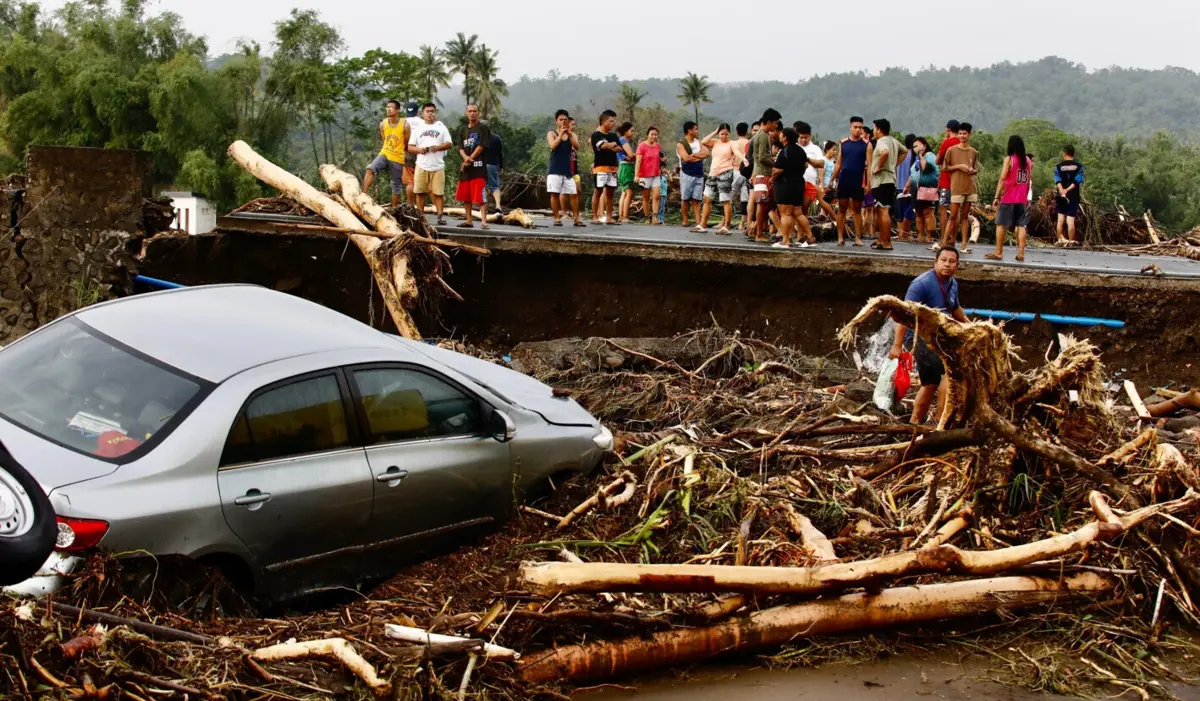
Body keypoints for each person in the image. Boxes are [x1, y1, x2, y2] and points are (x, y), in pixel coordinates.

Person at [889, 246, 970, 425]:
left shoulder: (952, 283)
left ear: (957, 265)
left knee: (931, 383)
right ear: (935, 262)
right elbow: (904, 314)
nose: (947, 265)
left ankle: (915, 422)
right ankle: (939, 423)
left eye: (952, 261)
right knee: (948, 375)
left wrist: (971, 327)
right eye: (943, 260)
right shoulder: (922, 284)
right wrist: (897, 344)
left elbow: (955, 308)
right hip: (920, 337)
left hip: (938, 336)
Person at [987, 135, 1033, 262]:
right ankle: (1021, 253)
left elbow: (1002, 178)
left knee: (1000, 224)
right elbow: (1029, 179)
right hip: (1021, 199)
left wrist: (997, 196)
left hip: (1009, 197)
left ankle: (999, 251)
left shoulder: (1009, 159)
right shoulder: (1028, 161)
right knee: (1021, 225)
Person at [408, 102, 454, 224]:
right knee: (420, 192)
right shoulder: (418, 129)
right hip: (421, 164)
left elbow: (449, 144)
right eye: (427, 111)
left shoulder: (441, 127)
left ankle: (440, 216)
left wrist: (438, 147)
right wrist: (419, 150)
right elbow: (410, 147)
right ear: (422, 113)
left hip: (438, 166)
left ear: (435, 113)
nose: (430, 114)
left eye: (432, 111)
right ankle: (420, 217)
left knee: (438, 193)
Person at [866, 118, 906, 250]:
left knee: (883, 210)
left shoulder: (882, 142)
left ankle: (887, 241)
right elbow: (904, 151)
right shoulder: (893, 141)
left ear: (878, 129)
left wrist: (878, 167)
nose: (873, 131)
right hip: (890, 180)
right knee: (880, 209)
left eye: (874, 128)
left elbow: (885, 152)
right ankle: (882, 238)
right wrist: (894, 164)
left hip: (882, 181)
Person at [362, 99, 409, 208]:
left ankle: (394, 209)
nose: (388, 109)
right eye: (387, 107)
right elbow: (385, 140)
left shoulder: (405, 125)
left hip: (398, 157)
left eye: (391, 107)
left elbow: (406, 143)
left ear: (397, 110)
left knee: (396, 185)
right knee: (370, 169)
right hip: (385, 152)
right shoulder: (383, 124)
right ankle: (363, 196)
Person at [831, 116, 869, 246]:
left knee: (857, 209)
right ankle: (840, 237)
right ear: (850, 127)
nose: (858, 130)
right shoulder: (843, 143)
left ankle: (858, 237)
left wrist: (868, 183)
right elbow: (838, 163)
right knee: (842, 207)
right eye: (855, 127)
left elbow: (869, 166)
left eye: (860, 127)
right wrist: (831, 179)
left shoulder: (866, 144)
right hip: (844, 178)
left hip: (858, 179)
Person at [941, 122, 979, 251]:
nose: (962, 136)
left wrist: (972, 170)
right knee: (952, 216)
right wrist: (958, 167)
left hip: (970, 187)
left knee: (965, 216)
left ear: (969, 134)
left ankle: (963, 243)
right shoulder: (951, 150)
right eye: (960, 133)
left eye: (965, 133)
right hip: (956, 187)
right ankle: (944, 242)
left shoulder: (973, 151)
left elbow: (976, 168)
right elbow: (945, 167)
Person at [700, 124, 742, 234]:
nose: (724, 136)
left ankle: (726, 226)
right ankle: (702, 224)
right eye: (722, 134)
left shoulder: (732, 143)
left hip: (725, 172)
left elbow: (737, 152)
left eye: (726, 134)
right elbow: (704, 141)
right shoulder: (715, 142)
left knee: (725, 200)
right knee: (707, 198)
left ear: (729, 134)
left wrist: (743, 159)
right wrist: (714, 131)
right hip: (713, 173)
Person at [770, 127, 808, 248]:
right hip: (798, 183)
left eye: (781, 134)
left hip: (786, 184)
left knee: (785, 213)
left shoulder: (785, 151)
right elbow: (805, 164)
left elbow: (779, 169)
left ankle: (785, 240)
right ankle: (810, 236)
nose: (779, 135)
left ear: (785, 137)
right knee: (798, 212)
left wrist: (772, 178)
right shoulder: (800, 150)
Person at [456, 104, 491, 228]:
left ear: (478, 113)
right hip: (466, 169)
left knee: (481, 196)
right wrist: (466, 159)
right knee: (466, 196)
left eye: (475, 111)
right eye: (470, 111)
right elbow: (460, 147)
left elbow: (481, 146)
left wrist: (470, 158)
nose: (472, 113)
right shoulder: (462, 130)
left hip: (479, 167)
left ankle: (484, 221)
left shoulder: (483, 128)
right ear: (466, 113)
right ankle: (469, 220)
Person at [546, 109, 582, 227]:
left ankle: (576, 218)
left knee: (573, 194)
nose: (563, 122)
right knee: (554, 194)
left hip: (568, 170)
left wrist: (569, 134)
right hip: (555, 169)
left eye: (565, 119)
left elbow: (577, 147)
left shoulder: (573, 135)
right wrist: (561, 134)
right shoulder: (552, 133)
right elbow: (553, 146)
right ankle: (557, 218)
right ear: (556, 121)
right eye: (560, 119)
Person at [750, 109, 782, 242]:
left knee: (765, 205)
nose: (776, 126)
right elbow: (763, 157)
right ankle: (759, 234)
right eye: (775, 123)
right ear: (768, 122)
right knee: (762, 205)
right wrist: (774, 162)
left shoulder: (760, 135)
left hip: (760, 172)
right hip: (763, 173)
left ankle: (755, 230)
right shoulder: (763, 136)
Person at [795, 122, 831, 227]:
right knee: (795, 209)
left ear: (810, 136)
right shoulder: (794, 148)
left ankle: (803, 233)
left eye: (805, 137)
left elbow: (821, 165)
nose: (803, 140)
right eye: (801, 137)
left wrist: (821, 183)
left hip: (809, 183)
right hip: (795, 183)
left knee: (804, 209)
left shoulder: (815, 149)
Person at [590, 110, 622, 225]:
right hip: (600, 167)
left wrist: (609, 145)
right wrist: (610, 145)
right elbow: (602, 146)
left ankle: (608, 217)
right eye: (610, 121)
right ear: (603, 122)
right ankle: (595, 216)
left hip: (612, 167)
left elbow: (619, 148)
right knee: (598, 192)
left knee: (610, 193)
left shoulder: (613, 135)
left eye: (614, 121)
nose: (613, 123)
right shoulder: (596, 135)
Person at [676, 121, 709, 231]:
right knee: (685, 198)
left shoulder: (699, 142)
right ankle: (685, 220)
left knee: (697, 199)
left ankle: (698, 222)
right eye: (695, 129)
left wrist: (694, 155)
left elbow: (706, 153)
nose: (697, 131)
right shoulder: (681, 144)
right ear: (689, 130)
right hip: (686, 173)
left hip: (698, 173)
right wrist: (699, 157)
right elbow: (686, 158)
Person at [906, 137, 939, 244]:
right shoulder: (916, 159)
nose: (916, 148)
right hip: (916, 190)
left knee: (928, 212)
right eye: (914, 147)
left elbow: (924, 168)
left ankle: (930, 237)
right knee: (919, 213)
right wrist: (907, 186)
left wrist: (920, 156)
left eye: (918, 145)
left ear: (924, 145)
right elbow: (913, 174)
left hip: (928, 189)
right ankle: (920, 236)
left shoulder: (930, 156)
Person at [935, 119, 961, 243]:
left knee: (943, 209)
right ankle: (954, 238)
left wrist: (944, 142)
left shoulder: (947, 142)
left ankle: (943, 238)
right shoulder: (962, 142)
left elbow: (937, 160)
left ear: (948, 129)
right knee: (956, 210)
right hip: (959, 181)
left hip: (946, 180)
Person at [1054, 144, 1084, 245]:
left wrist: (1062, 191)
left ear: (1064, 154)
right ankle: (1071, 243)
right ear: (1073, 154)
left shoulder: (1058, 167)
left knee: (1060, 221)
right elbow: (1077, 181)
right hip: (1073, 196)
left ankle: (1060, 241)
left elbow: (1058, 181)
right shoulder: (1079, 166)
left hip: (1061, 196)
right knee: (1070, 222)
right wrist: (1067, 190)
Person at [634, 125, 663, 225]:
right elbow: (638, 161)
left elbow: (659, 159)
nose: (654, 136)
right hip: (644, 175)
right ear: (648, 135)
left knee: (656, 196)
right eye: (652, 134)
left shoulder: (657, 146)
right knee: (645, 197)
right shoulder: (642, 146)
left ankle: (655, 216)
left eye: (655, 135)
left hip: (656, 174)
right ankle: (647, 217)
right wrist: (636, 175)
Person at [895, 134, 917, 241]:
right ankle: (905, 234)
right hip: (911, 187)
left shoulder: (901, 154)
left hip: (899, 186)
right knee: (909, 212)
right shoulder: (915, 156)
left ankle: (901, 234)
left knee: (900, 212)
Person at [730, 123, 752, 231]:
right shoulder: (749, 142)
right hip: (747, 172)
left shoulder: (734, 143)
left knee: (730, 196)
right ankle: (742, 224)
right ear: (747, 131)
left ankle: (725, 221)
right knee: (745, 198)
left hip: (737, 171)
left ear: (736, 132)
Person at [616, 122, 638, 223]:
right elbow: (630, 154)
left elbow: (630, 156)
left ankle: (621, 215)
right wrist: (634, 155)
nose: (633, 133)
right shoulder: (623, 140)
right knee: (629, 192)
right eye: (631, 131)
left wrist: (631, 156)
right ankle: (625, 216)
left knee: (624, 193)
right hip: (625, 168)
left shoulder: (622, 140)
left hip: (623, 167)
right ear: (626, 131)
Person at [403, 101, 422, 205]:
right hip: (421, 153)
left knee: (410, 182)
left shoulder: (402, 122)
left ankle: (411, 206)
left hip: (407, 153)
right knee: (424, 181)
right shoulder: (422, 122)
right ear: (417, 112)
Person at [485, 129, 504, 212]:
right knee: (495, 186)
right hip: (492, 164)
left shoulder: (478, 137)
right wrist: (501, 166)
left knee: (482, 186)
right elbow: (500, 154)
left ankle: (483, 208)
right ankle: (498, 205)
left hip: (480, 164)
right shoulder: (496, 138)